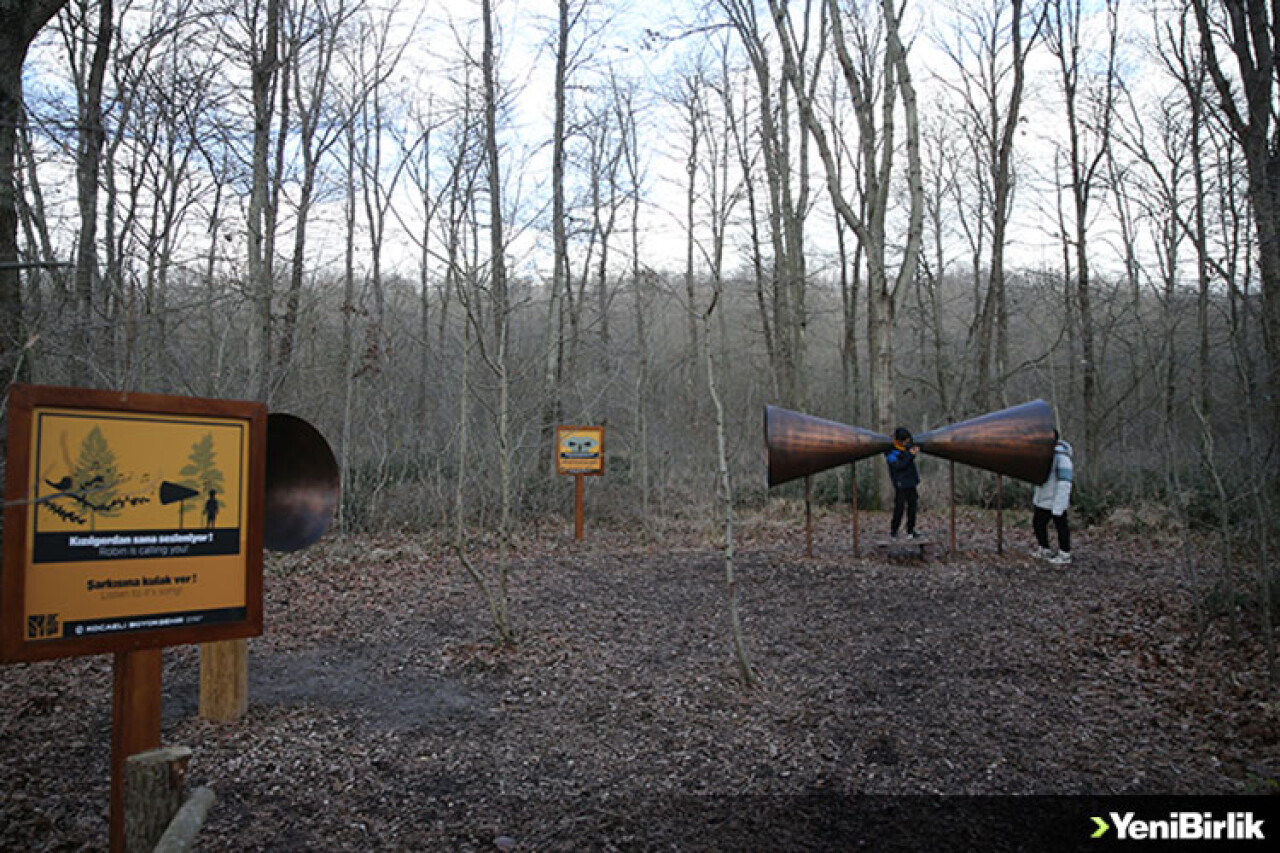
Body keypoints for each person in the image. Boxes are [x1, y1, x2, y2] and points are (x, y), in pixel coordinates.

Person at [1032, 431, 1073, 564]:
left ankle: (1065, 553)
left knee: (1061, 527)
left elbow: (1065, 483)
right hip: (1043, 500)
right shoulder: (1046, 455)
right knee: (1038, 523)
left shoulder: (1062, 458)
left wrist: (1059, 505)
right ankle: (1044, 548)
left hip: (1055, 500)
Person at [885, 427, 920, 540]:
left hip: (910, 481)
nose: (907, 443)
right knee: (899, 508)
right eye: (905, 441)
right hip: (900, 482)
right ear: (899, 441)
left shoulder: (907, 447)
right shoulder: (891, 452)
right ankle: (894, 531)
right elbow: (898, 466)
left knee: (912, 506)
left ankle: (910, 530)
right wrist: (910, 455)